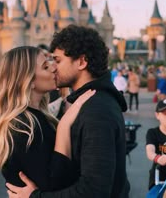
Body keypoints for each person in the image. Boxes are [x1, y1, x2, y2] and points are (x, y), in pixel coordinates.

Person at [7, 24, 130, 198]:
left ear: (81, 62)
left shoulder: (96, 111)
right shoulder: (88, 103)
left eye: (57, 60)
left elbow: (94, 191)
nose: (54, 67)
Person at [0, 46, 95, 189]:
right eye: (45, 66)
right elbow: (54, 183)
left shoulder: (36, 116)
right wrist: (64, 126)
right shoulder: (21, 127)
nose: (54, 68)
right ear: (28, 81)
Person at [146, 99, 166, 190]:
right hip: (158, 178)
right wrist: (158, 158)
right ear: (157, 115)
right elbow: (150, 151)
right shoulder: (153, 133)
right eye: (165, 113)